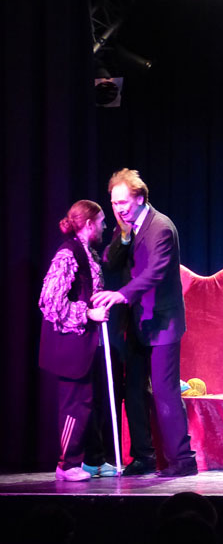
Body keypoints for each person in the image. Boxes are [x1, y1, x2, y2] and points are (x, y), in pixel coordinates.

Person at [92, 168, 197, 477]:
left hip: (162, 321)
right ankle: (144, 456)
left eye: (123, 202)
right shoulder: (126, 227)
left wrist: (121, 294)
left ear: (139, 198)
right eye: (114, 203)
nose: (118, 209)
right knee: (134, 389)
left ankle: (183, 460)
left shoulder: (161, 227)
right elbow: (110, 261)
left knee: (164, 391)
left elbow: (155, 273)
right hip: (136, 321)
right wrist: (123, 236)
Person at [38, 200, 112, 481]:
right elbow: (50, 302)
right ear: (89, 224)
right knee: (75, 405)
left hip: (88, 344)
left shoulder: (88, 252)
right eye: (101, 221)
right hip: (71, 345)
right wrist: (88, 313)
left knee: (93, 403)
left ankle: (93, 461)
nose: (105, 226)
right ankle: (67, 464)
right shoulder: (68, 254)